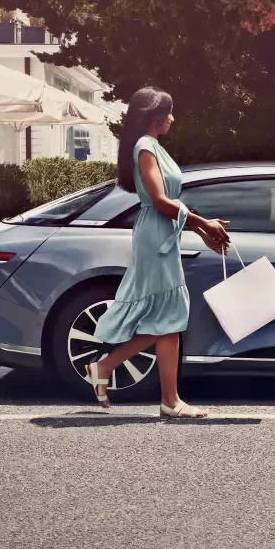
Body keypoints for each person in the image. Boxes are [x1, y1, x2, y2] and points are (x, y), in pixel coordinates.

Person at [84, 87, 231, 416]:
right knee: (169, 315)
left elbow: (168, 206)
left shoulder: (151, 146)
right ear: (153, 115)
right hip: (155, 236)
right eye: (168, 112)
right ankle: (168, 400)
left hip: (161, 234)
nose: (173, 119)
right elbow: (162, 202)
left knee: (165, 318)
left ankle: (111, 371)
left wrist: (199, 229)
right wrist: (203, 224)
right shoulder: (145, 147)